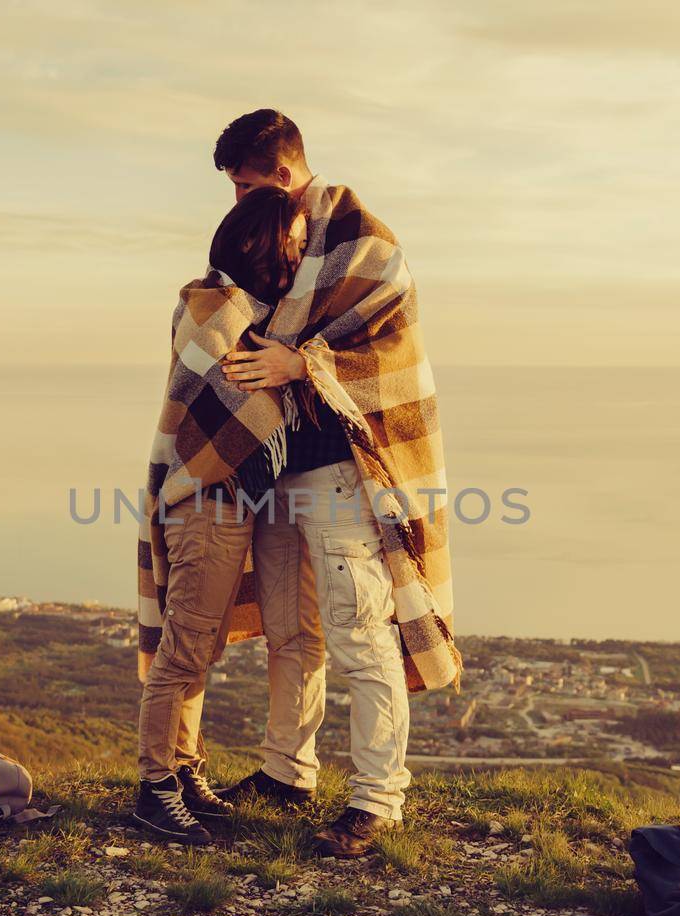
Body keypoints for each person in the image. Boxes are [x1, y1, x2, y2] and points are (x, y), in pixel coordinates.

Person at [205, 109, 463, 858]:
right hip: (279, 464)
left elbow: (388, 345)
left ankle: (379, 799)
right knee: (290, 628)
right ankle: (288, 770)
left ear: (283, 177)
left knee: (359, 631)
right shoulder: (270, 237)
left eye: (246, 186)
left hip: (345, 468)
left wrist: (301, 363)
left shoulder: (365, 243)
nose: (237, 203)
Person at [132, 187, 310, 844]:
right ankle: (154, 787)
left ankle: (183, 767)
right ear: (262, 242)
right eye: (290, 238)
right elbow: (221, 381)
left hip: (231, 501)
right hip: (205, 502)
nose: (296, 251)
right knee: (182, 652)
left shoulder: (250, 312)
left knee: (200, 650)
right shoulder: (214, 307)